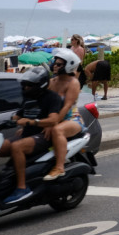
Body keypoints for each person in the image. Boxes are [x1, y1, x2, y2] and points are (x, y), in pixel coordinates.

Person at [0, 66, 62, 204]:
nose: (25, 88)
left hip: (42, 136)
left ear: (40, 85)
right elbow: (18, 115)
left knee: (17, 147)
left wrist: (32, 122)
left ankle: (22, 188)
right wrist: (8, 121)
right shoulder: (28, 98)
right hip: (26, 134)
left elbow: (53, 119)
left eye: (29, 85)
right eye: (24, 84)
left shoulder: (52, 98)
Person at [41, 48, 85, 181]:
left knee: (57, 130)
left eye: (59, 64)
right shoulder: (52, 82)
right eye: (55, 63)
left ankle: (59, 167)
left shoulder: (73, 83)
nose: (55, 65)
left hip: (72, 119)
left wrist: (52, 123)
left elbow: (67, 106)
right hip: (53, 118)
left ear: (68, 65)